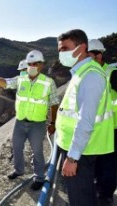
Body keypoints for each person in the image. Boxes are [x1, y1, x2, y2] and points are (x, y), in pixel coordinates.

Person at [0, 52, 59, 190]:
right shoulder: (21, 80)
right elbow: (5, 82)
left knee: (37, 151)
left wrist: (53, 122)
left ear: (41, 65)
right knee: (17, 146)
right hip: (20, 122)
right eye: (29, 64)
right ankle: (19, 170)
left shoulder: (49, 83)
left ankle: (39, 177)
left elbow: (54, 103)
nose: (32, 66)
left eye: (35, 63)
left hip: (37, 124)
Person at [56, 29, 114, 206]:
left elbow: (85, 121)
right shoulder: (81, 72)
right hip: (78, 147)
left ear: (81, 48)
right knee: (84, 195)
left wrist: (72, 158)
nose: (61, 54)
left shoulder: (90, 76)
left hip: (81, 151)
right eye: (59, 50)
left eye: (65, 48)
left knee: (81, 199)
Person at [88, 38, 117, 205]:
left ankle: (105, 195)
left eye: (94, 55)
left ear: (100, 55)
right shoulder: (88, 75)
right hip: (95, 127)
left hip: (113, 127)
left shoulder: (112, 73)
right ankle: (98, 188)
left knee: (110, 164)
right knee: (96, 162)